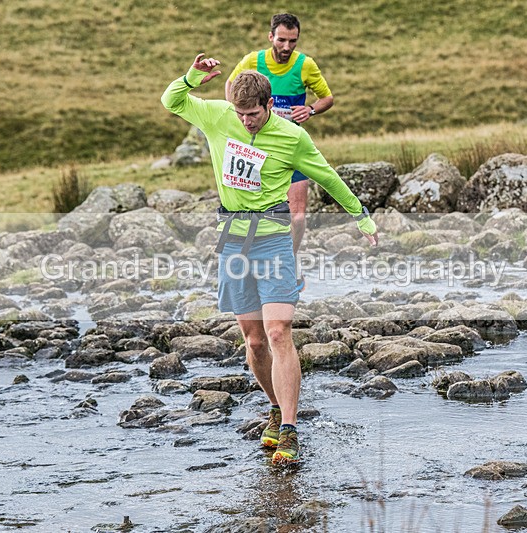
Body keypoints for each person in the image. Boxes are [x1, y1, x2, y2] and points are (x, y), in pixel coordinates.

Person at [162, 53, 378, 465]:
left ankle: (290, 430)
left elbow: (327, 176)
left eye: (253, 114)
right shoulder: (219, 116)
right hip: (233, 242)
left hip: (274, 241)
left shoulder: (291, 136)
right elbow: (170, 100)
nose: (246, 121)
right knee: (254, 340)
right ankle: (275, 408)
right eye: (240, 114)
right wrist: (191, 77)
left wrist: (361, 217)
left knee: (278, 332)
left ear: (269, 104)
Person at [225, 13, 334, 283]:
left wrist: (310, 110)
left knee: (297, 217)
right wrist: (238, 116)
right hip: (258, 149)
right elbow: (230, 83)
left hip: (291, 147)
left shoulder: (305, 65)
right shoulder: (253, 61)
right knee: (258, 211)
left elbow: (327, 98)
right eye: (282, 40)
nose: (287, 47)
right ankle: (251, 264)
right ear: (270, 37)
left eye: (292, 41)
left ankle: (289, 260)